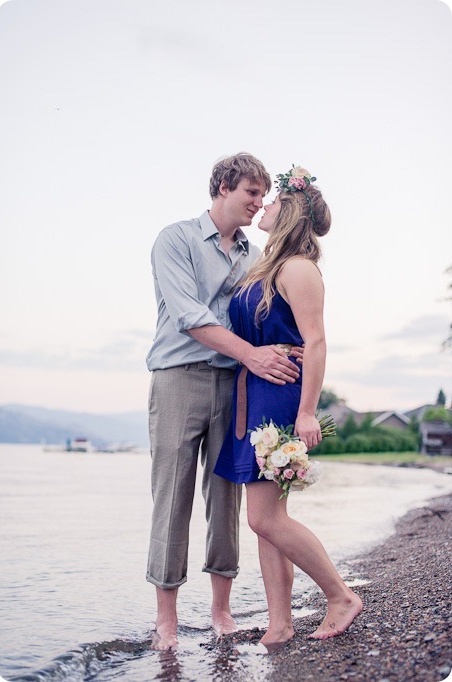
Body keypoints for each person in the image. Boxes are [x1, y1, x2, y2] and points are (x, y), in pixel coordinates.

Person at [146, 153, 303, 650]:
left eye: (263, 195)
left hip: (235, 384)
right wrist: (255, 355)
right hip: (179, 378)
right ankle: (166, 620)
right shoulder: (176, 239)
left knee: (227, 498)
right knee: (173, 496)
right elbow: (189, 314)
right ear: (221, 188)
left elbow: (259, 316)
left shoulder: (254, 255)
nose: (259, 203)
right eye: (250, 194)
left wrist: (279, 347)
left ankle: (221, 611)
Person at [214, 165, 363, 645]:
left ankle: (339, 595)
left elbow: (316, 341)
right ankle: (280, 623)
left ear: (289, 211)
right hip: (254, 393)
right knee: (266, 523)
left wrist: (306, 412)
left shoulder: (298, 268)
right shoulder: (267, 266)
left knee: (264, 518)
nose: (263, 205)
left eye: (272, 200)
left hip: (280, 397)